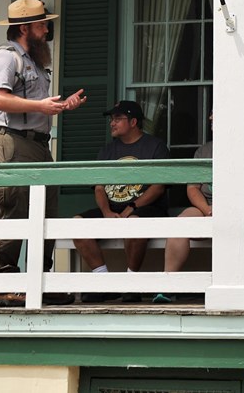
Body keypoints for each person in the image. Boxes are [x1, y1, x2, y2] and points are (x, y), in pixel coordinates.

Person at [0, 0, 87, 308]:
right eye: (42, 24)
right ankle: (4, 285)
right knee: (14, 209)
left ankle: (39, 283)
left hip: (39, 143)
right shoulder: (6, 58)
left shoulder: (34, 62)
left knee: (46, 212)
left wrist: (60, 106)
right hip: (13, 142)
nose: (47, 28)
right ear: (24, 28)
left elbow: (36, 109)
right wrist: (40, 106)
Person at [154, 112, 244, 304]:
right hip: (206, 207)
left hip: (241, 207)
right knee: (181, 223)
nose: (210, 120)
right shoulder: (204, 151)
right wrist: (208, 210)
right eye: (210, 117)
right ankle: (168, 286)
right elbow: (192, 188)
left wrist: (227, 207)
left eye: (215, 117)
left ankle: (235, 289)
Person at [72, 100, 170, 303]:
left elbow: (158, 187)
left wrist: (132, 207)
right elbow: (99, 187)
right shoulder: (107, 151)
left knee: (133, 222)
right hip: (114, 209)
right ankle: (103, 282)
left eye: (118, 118)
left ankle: (131, 282)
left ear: (133, 121)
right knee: (77, 223)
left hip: (146, 209)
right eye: (111, 119)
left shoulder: (155, 147)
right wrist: (106, 211)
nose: (112, 123)